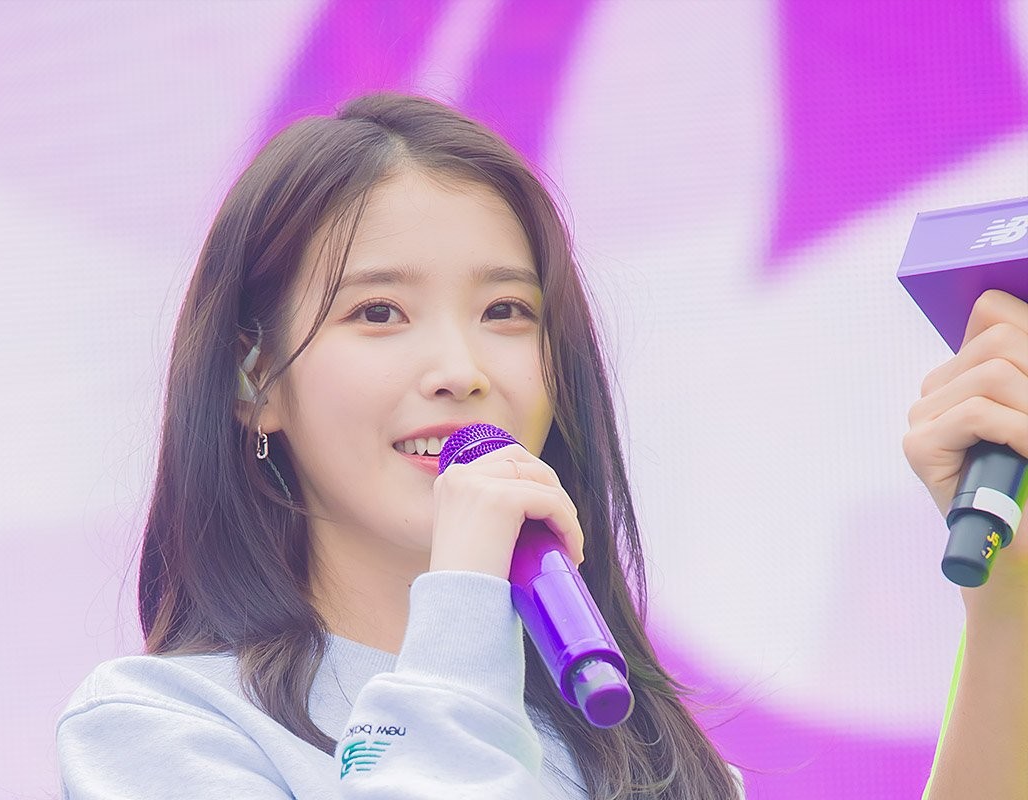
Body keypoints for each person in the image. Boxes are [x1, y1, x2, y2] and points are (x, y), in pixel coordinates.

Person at [55, 92, 1027, 799]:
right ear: (254, 380)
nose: (460, 367)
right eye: (380, 311)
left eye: (506, 312)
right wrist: (465, 598)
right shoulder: (162, 728)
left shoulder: (637, 752)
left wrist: (1007, 597)